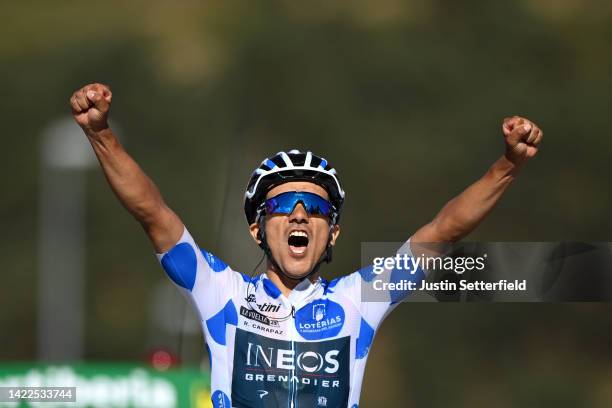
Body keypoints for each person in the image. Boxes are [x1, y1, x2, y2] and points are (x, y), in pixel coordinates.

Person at [70, 82, 543, 408]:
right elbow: (153, 213)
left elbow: (443, 231)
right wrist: (101, 135)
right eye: (285, 205)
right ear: (257, 229)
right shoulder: (222, 292)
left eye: (316, 208)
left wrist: (507, 166)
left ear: (332, 232)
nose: (300, 214)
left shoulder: (359, 300)